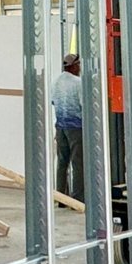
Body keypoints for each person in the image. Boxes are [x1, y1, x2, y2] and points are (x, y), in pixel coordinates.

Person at [51, 52, 84, 203]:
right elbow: (83, 104)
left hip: (60, 127)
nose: (79, 68)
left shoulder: (55, 81)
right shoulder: (78, 83)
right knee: (78, 164)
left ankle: (61, 197)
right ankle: (77, 199)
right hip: (76, 128)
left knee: (62, 163)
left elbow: (53, 102)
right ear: (74, 66)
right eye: (78, 65)